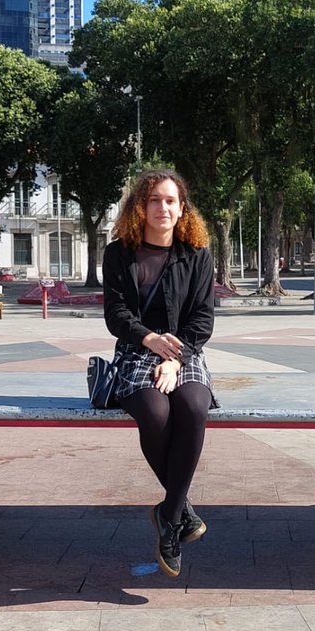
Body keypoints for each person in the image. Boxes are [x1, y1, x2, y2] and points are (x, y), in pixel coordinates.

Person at [103, 168, 216, 579]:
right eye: (154, 200)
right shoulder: (119, 253)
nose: (162, 208)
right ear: (140, 207)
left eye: (170, 200)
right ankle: (180, 510)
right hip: (137, 353)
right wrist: (150, 340)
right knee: (155, 414)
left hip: (185, 353)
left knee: (192, 406)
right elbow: (116, 315)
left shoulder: (198, 254)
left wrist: (176, 358)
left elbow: (203, 319)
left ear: (182, 208)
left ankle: (167, 517)